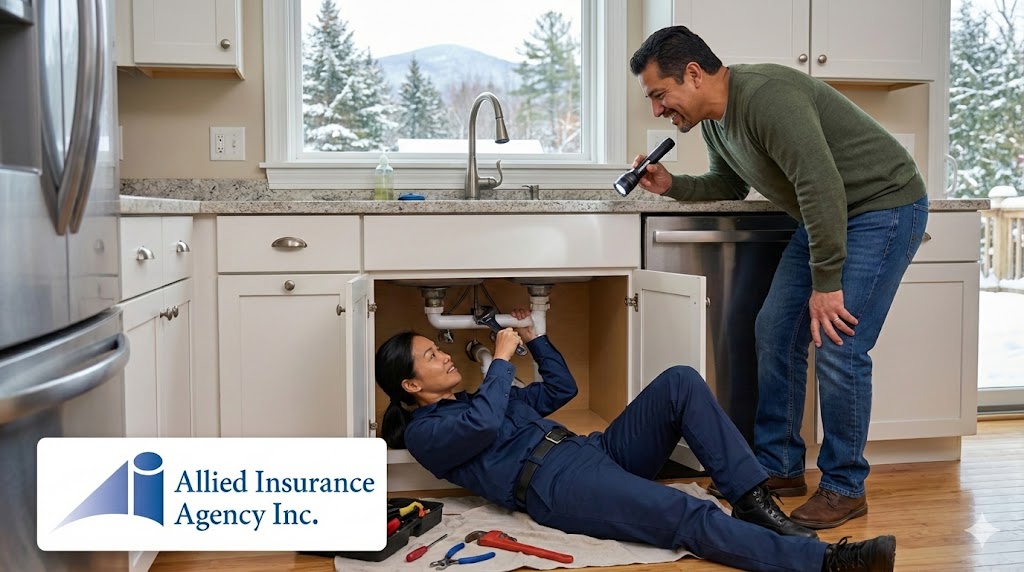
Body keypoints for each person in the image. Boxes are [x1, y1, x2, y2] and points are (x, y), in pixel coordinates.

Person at [628, 26, 930, 530]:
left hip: (882, 207)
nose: (658, 109)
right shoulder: (716, 123)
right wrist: (671, 184)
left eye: (660, 94)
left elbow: (820, 183)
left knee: (839, 344)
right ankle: (779, 466)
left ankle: (844, 487)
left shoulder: (769, 97)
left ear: (694, 74)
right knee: (775, 330)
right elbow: (729, 183)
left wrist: (826, 284)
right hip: (826, 216)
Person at [375, 309, 897, 572]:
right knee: (685, 514)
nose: (445, 355)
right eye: (430, 356)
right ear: (411, 386)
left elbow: (562, 389)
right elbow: (485, 426)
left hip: (591, 450)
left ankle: (752, 499)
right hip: (556, 485)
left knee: (679, 382)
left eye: (437, 349)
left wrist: (535, 338)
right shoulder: (427, 434)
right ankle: (827, 563)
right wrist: (502, 362)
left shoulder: (478, 398)